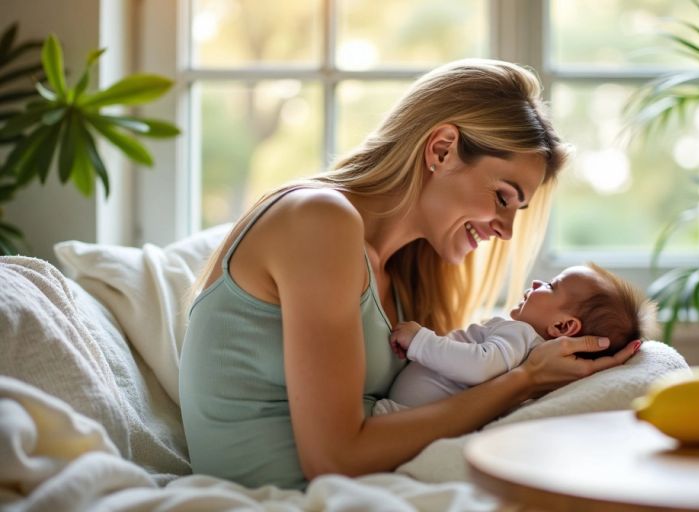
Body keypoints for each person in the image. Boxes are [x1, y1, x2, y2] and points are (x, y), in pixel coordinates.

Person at [178, 59, 641, 491]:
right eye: (503, 197)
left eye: (518, 209)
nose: (505, 230)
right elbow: (334, 457)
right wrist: (524, 380)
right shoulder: (319, 220)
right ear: (441, 149)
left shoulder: (401, 274)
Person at [374, 263, 658, 415]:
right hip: (414, 416)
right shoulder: (529, 352)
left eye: (550, 285)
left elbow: (479, 366)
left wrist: (421, 340)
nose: (536, 283)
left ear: (563, 326)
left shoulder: (521, 333)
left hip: (405, 416)